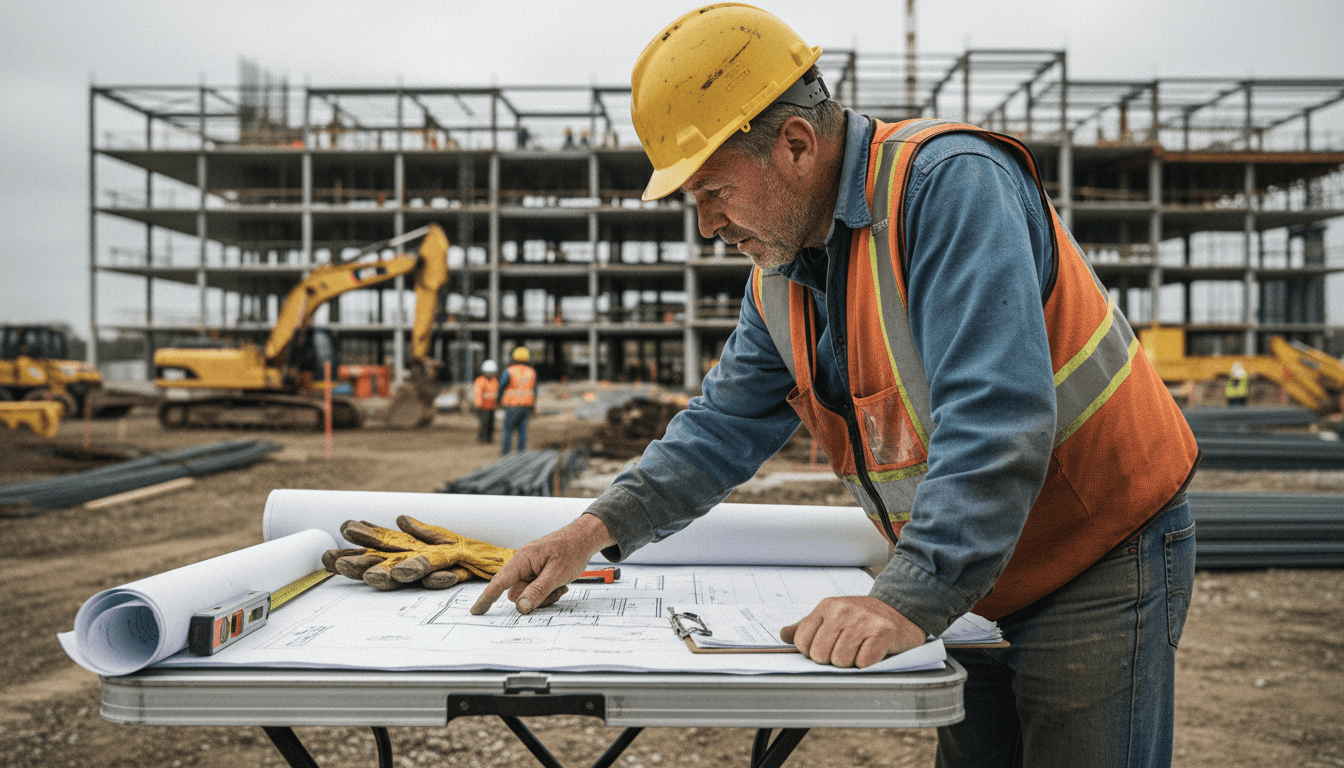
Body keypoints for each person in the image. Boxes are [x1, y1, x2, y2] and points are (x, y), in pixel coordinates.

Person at [473, 6, 1200, 767]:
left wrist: (904, 598)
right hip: (977, 567)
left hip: (1098, 553)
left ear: (794, 144)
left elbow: (997, 416)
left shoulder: (949, 187)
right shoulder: (781, 277)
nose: (706, 226)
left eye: (714, 191)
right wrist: (591, 532)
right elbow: (719, 427)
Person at [498, 346, 537, 455]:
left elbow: (501, 387)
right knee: (522, 432)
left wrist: (498, 400)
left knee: (508, 430)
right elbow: (534, 391)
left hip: (512, 405)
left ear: (514, 358)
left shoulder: (509, 371)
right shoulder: (531, 372)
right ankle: (521, 456)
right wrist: (533, 407)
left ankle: (505, 455)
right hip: (526, 406)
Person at [472, 359, 499, 444]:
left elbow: (496, 393)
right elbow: (478, 393)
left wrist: (497, 403)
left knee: (491, 422)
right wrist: (478, 404)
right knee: (484, 423)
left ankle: (489, 437)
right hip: (483, 407)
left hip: (492, 406)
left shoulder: (495, 381)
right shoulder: (480, 380)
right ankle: (482, 438)